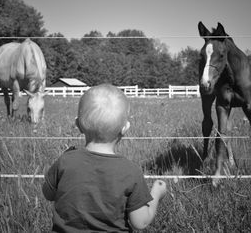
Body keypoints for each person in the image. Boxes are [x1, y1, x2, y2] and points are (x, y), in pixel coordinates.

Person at [42, 83, 167, 232]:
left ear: (78, 125)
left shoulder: (65, 161)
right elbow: (140, 222)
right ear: (125, 129)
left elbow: (48, 194)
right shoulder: (130, 171)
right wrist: (157, 193)